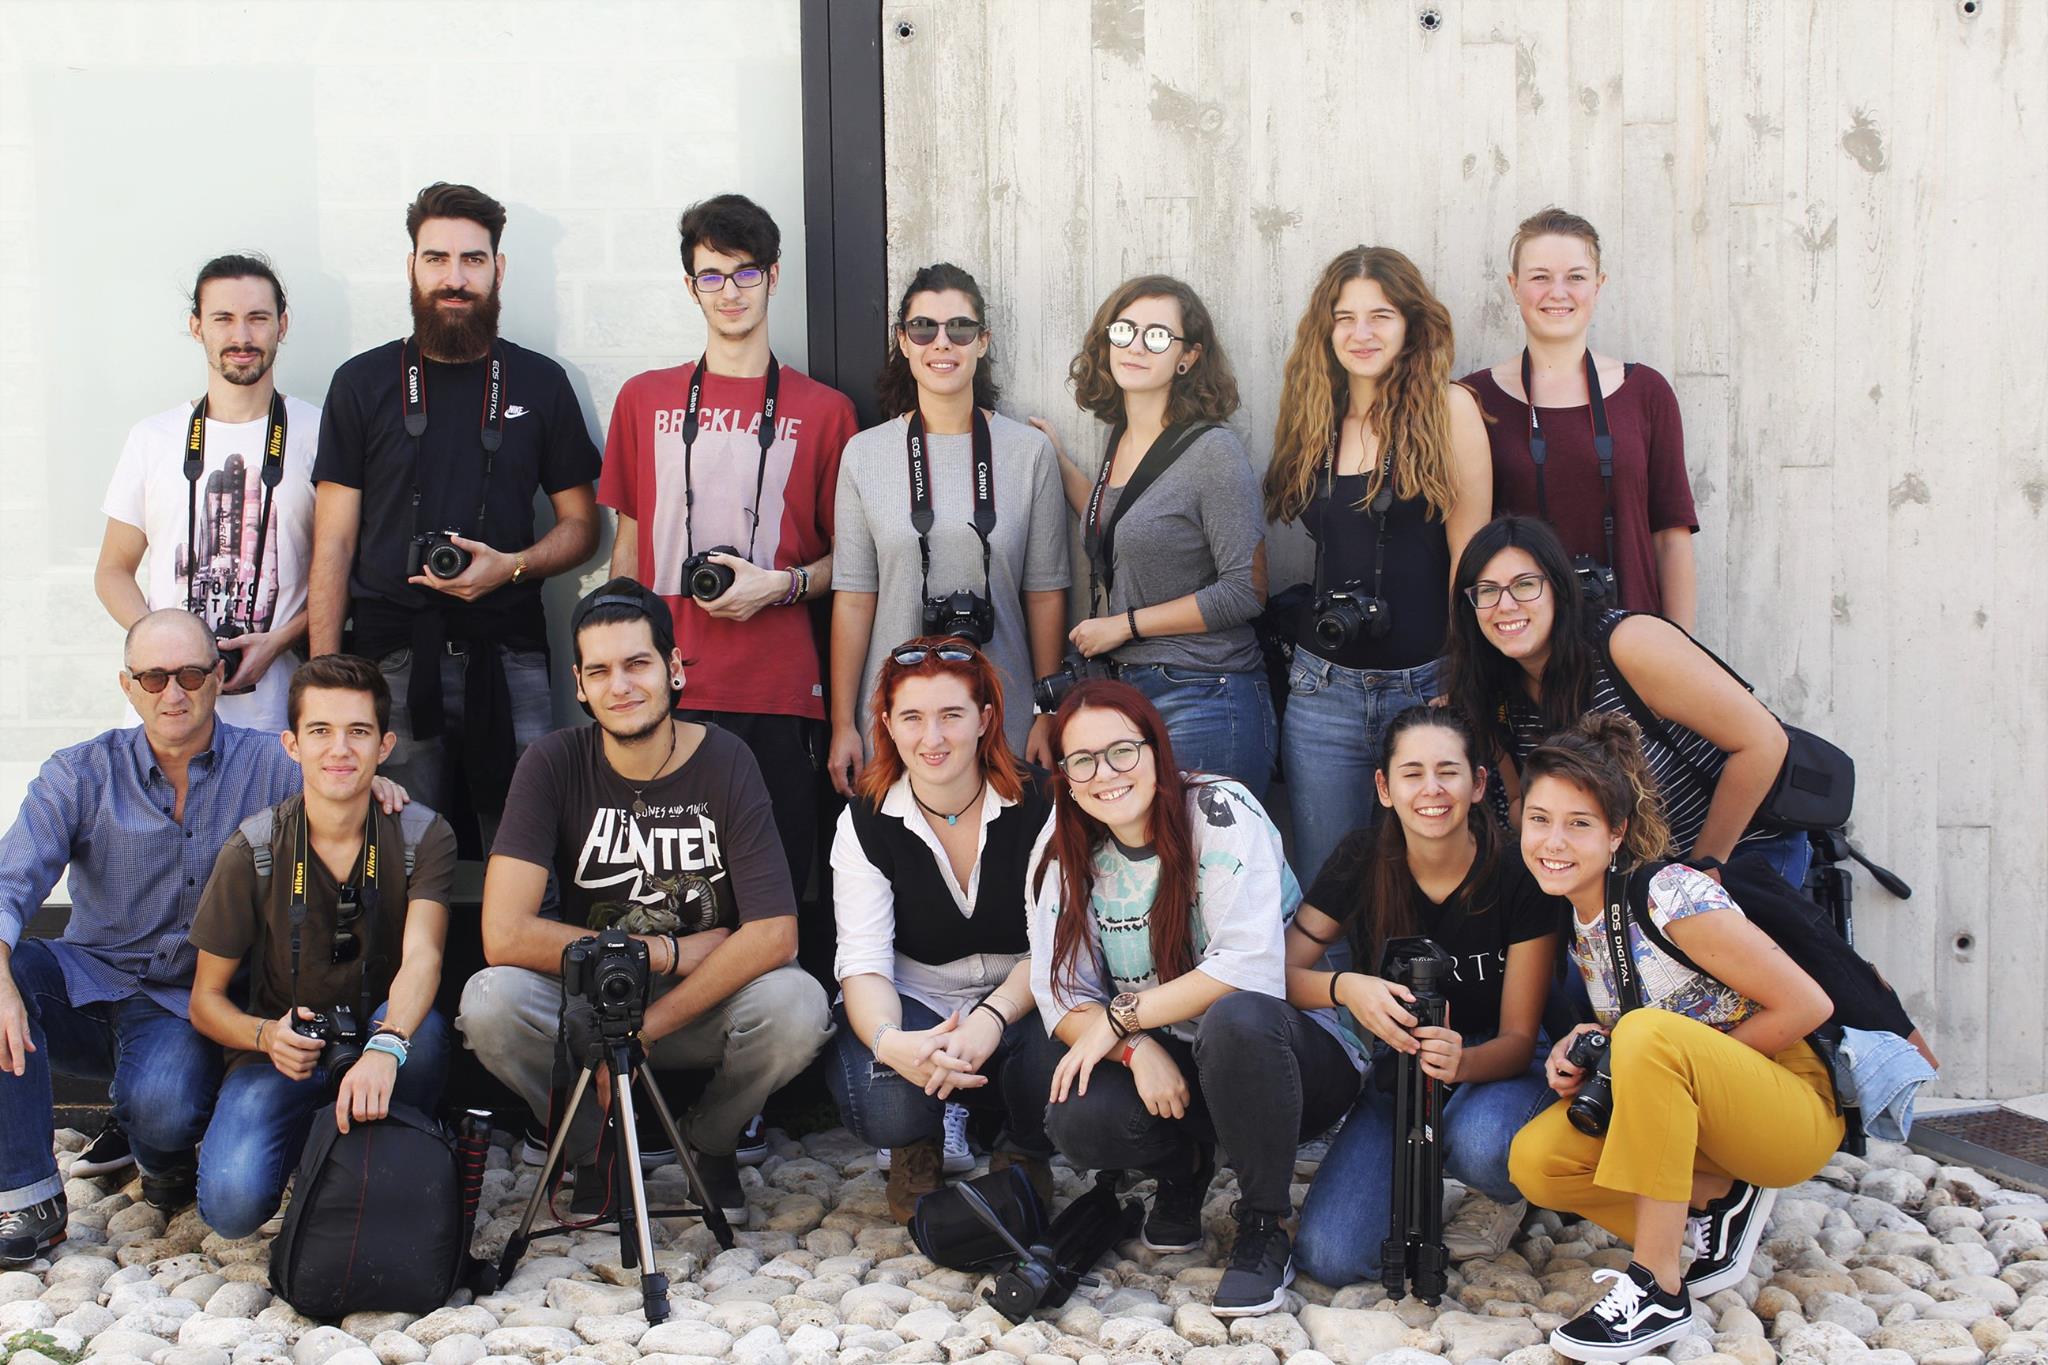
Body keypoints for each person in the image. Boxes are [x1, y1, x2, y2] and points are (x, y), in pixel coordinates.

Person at [0, 611, 403, 1264]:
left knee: (162, 1103)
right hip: (90, 979)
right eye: (153, 677)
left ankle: (163, 1158)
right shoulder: (79, 772)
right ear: (128, 686)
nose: (173, 692)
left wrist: (369, 781)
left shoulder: (272, 764)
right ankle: (29, 1195)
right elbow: (10, 880)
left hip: (194, 1001)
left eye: (190, 673)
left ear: (219, 678)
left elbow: (339, 774)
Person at [457, 580, 833, 1225]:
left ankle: (710, 1141)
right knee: (489, 1001)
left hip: (701, 1000)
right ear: (578, 684)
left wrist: (639, 1033)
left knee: (798, 1005)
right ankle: (592, 1148)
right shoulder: (552, 761)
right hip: (591, 1000)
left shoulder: (726, 760)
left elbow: (774, 933)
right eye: (599, 671)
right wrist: (665, 951)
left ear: (675, 668)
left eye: (638, 664)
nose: (621, 686)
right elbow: (504, 934)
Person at [1508, 715, 1840, 1362]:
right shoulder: (1583, 920)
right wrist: (1590, 1042)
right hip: (1715, 1111)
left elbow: (1808, 1003)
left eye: (1578, 823)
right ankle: (1722, 1197)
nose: (1554, 840)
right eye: (1540, 818)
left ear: (1616, 833)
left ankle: (1658, 1287)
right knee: (1538, 1158)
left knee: (1646, 1037)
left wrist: (1663, 1057)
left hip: (1791, 1102)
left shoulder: (1668, 892)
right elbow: (1659, 1019)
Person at [1028, 680, 1359, 1317]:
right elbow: (1059, 994)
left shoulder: (1219, 810)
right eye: (1083, 761)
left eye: (1123, 750)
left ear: (1158, 750)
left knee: (1235, 1019)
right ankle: (1183, 1171)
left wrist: (1123, 1017)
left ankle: (1263, 1227)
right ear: (1066, 776)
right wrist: (1131, 1050)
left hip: (1287, 1056)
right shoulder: (1060, 845)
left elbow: (1247, 968)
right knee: (1077, 1115)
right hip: (1175, 1063)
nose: (1107, 774)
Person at [601, 194, 856, 956]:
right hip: (661, 693)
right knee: (662, 907)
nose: (731, 292)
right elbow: (628, 550)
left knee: (770, 899)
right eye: (712, 277)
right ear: (690, 287)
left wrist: (777, 585)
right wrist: (611, 676)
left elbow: (857, 562)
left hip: (778, 695)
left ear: (774, 276)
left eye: (746, 273)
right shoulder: (643, 398)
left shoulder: (826, 410)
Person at [310, 181, 601, 845]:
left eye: (473, 260)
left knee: (530, 843)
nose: (455, 278)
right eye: (436, 258)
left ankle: (520, 952)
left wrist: (513, 567)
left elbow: (583, 527)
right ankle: (412, 957)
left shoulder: (539, 382)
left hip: (510, 653)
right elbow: (333, 543)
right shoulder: (361, 383)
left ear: (499, 270)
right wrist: (324, 687)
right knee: (395, 851)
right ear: (410, 267)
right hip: (389, 659)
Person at [1286, 705, 1561, 1284]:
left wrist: (1462, 1062)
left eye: (1448, 771)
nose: (1431, 790)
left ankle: (1505, 1194)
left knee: (1484, 1145)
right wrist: (1345, 987)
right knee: (1332, 1258)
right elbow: (1276, 974)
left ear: (1478, 783)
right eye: (1411, 773)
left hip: (1495, 1065)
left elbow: (1517, 1040)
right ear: (1384, 788)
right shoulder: (1362, 860)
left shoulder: (1516, 872)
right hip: (1403, 1067)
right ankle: (1416, 1169)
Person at [187, 655, 457, 1238]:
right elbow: (205, 1002)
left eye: (358, 732)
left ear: (385, 746)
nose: (340, 749)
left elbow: (424, 958)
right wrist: (267, 1036)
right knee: (231, 1208)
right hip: (285, 1049)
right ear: (291, 745)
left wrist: (386, 1046)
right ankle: (320, 1135)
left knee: (425, 1034)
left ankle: (401, 1140)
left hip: (384, 1036)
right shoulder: (253, 849)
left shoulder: (420, 834)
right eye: (320, 732)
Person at [1264, 246, 1491, 883]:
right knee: (1326, 882)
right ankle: (1333, 987)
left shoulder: (1450, 411)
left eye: (1381, 316)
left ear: (1412, 323)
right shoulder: (1314, 419)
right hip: (1321, 691)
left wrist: (1459, 681)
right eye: (1345, 318)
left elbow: (1470, 561)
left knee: (1430, 876)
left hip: (1426, 685)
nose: (1361, 333)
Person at [827, 638, 1062, 1221]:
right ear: (886, 723)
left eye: (951, 715)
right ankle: (917, 1145)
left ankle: (1022, 1150)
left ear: (984, 719)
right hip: (916, 993)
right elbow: (863, 963)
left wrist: (991, 1017)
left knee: (1056, 1058)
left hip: (1023, 992)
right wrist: (891, 1042)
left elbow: (1060, 946)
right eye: (912, 717)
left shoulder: (1042, 804)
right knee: (886, 1104)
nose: (931, 739)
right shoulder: (865, 819)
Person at [1444, 516, 1809, 890]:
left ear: (1558, 588)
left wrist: (1702, 871)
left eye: (1524, 585)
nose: (1505, 605)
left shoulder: (1625, 645)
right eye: (1487, 591)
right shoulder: (1494, 689)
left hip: (1743, 851)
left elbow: (1764, 742)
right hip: (1639, 875)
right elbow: (1522, 801)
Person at [828, 263, 1070, 792]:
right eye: (924, 329)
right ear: (904, 342)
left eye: (960, 328)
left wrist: (1045, 711)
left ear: (982, 342)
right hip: (895, 718)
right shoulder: (864, 454)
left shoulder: (1027, 453)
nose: (942, 343)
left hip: (1003, 713)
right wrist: (843, 723)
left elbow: (1047, 592)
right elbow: (853, 596)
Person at [1029, 277, 1273, 797]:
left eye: (1158, 336)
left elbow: (1245, 591)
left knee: (1207, 869)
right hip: (1127, 694)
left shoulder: (1213, 451)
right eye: (1125, 330)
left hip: (1205, 692)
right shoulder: (1118, 439)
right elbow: (1122, 521)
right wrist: (1054, 459)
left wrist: (1125, 626)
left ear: (1187, 358)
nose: (1137, 345)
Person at [96, 253, 317, 733]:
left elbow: (342, 570)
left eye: (258, 318)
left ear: (282, 324)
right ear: (197, 327)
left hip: (277, 713)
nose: (241, 337)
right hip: (165, 712)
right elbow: (112, 571)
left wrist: (278, 641)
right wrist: (170, 648)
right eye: (223, 319)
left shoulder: (319, 432)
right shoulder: (153, 437)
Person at [1461, 207, 1698, 627]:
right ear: (1514, 287)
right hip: (1520, 649)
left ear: (1598, 285)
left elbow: (1671, 539)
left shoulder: (1645, 392)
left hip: (1633, 645)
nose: (1558, 292)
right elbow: (1464, 547)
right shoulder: (1473, 400)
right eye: (1539, 277)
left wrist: (1680, 649)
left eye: (1575, 276)